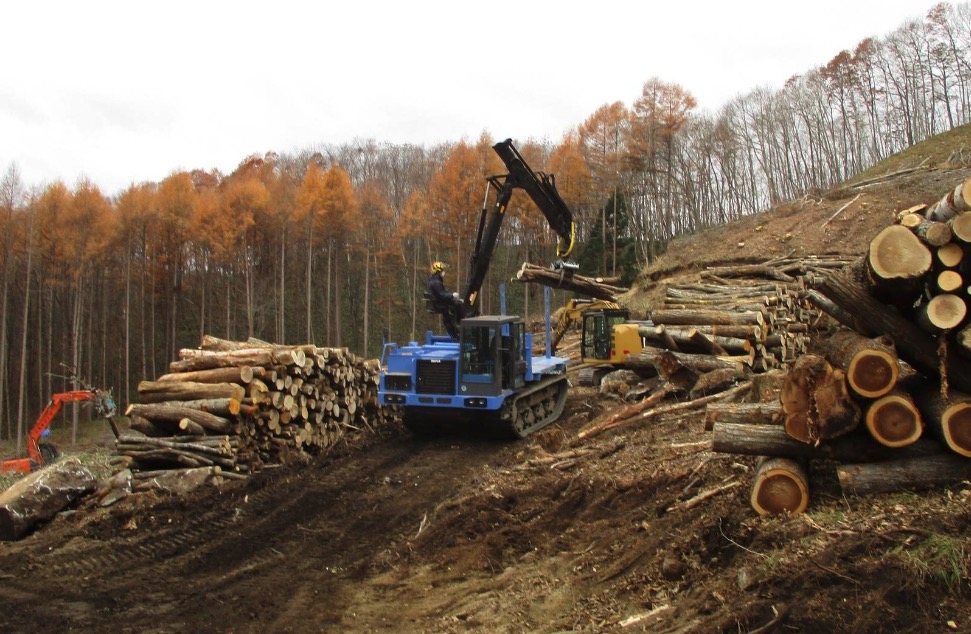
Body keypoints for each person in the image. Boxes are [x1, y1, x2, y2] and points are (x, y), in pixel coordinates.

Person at [427, 261, 462, 339]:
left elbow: (441, 294)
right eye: (442, 270)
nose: (444, 272)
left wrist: (450, 296)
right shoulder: (436, 282)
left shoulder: (434, 281)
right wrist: (452, 295)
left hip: (438, 302)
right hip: (439, 304)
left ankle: (456, 329)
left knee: (455, 303)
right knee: (458, 304)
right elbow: (442, 295)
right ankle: (459, 322)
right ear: (438, 271)